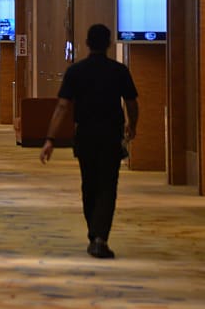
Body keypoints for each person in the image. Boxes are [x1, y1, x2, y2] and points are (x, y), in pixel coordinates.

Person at [40, 23, 139, 259]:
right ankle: (99, 237)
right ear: (108, 44)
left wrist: (50, 139)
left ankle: (94, 233)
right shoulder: (119, 71)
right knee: (108, 186)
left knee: (89, 184)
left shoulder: (76, 71)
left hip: (84, 136)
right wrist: (132, 126)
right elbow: (132, 103)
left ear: (87, 43)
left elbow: (62, 107)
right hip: (110, 136)